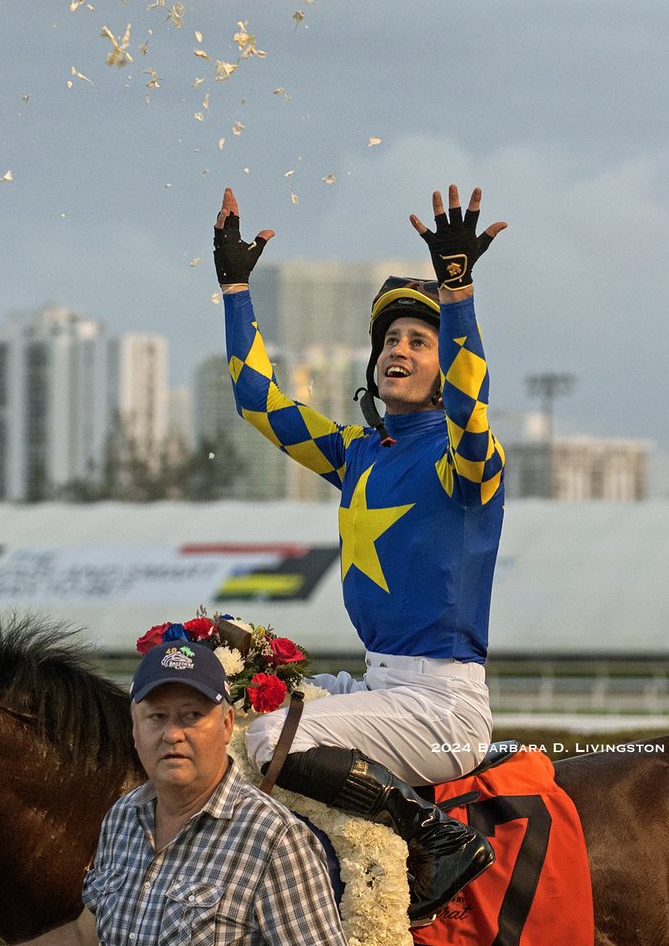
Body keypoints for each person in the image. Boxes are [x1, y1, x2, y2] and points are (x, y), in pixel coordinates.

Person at [214, 183, 508, 925]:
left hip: (440, 705)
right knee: (245, 704)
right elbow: (258, 401)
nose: (397, 352)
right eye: (389, 341)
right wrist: (235, 289)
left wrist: (459, 291)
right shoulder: (355, 453)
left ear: (444, 366)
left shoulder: (464, 459)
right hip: (382, 686)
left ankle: (434, 836)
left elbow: (472, 412)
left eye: (417, 341)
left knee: (269, 737)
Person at [20, 640, 349, 946]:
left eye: (192, 715)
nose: (172, 734)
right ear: (135, 730)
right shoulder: (122, 818)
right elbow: (85, 934)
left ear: (225, 725)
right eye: (157, 717)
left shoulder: (273, 838)